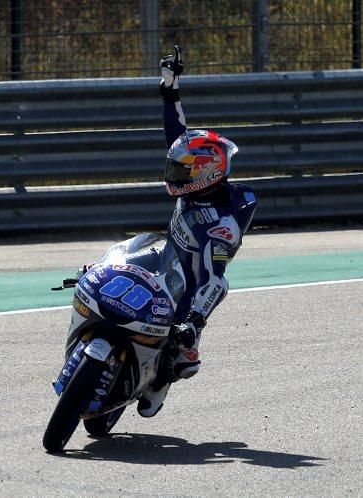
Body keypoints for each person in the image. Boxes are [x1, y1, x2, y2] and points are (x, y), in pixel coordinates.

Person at [136, 46, 258, 417]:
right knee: (110, 267)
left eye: (181, 171)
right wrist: (169, 89)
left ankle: (163, 377)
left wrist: (195, 320)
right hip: (164, 254)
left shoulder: (231, 211)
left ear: (206, 174)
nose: (173, 174)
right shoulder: (195, 177)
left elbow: (216, 277)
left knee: (182, 355)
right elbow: (177, 135)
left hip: (190, 287)